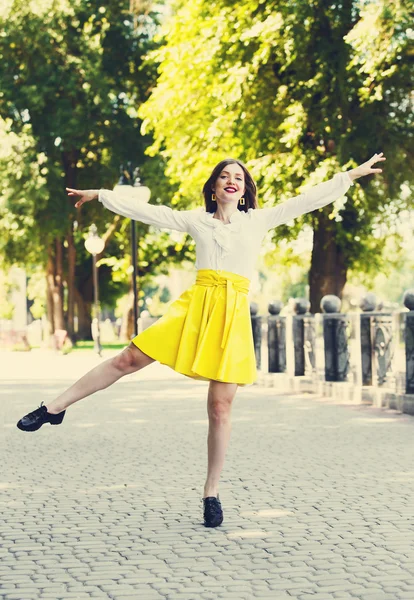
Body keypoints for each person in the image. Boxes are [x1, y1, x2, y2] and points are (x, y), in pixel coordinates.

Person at [16, 153, 386, 527]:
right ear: (213, 187)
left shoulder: (258, 220)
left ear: (244, 190)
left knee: (219, 407)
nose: (231, 180)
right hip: (196, 305)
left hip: (232, 314)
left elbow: (308, 199)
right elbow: (151, 212)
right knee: (128, 359)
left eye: (238, 178)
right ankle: (54, 408)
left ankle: (211, 491)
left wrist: (350, 175)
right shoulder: (197, 220)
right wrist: (102, 195)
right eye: (224, 176)